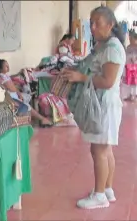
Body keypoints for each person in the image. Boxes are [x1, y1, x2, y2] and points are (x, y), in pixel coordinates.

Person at [62, 6, 126, 209]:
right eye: (91, 22)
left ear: (110, 24)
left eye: (97, 22)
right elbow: (91, 65)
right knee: (105, 148)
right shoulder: (102, 46)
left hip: (104, 105)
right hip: (102, 104)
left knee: (98, 149)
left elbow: (107, 80)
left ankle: (99, 195)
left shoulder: (112, 49)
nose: (92, 26)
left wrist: (81, 77)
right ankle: (107, 189)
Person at [0, 59, 54, 127]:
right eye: (6, 66)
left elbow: (10, 80)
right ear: (0, 69)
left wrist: (18, 74)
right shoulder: (2, 76)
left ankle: (36, 117)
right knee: (26, 100)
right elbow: (12, 89)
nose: (8, 67)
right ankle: (42, 119)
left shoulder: (0, 75)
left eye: (8, 65)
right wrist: (19, 94)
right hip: (8, 98)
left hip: (7, 96)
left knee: (26, 98)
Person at [123, 29, 137, 101]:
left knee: (135, 82)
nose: (130, 40)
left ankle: (134, 95)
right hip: (129, 67)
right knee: (130, 81)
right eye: (130, 38)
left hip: (135, 67)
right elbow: (125, 55)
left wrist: (134, 59)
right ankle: (131, 95)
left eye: (132, 39)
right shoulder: (128, 47)